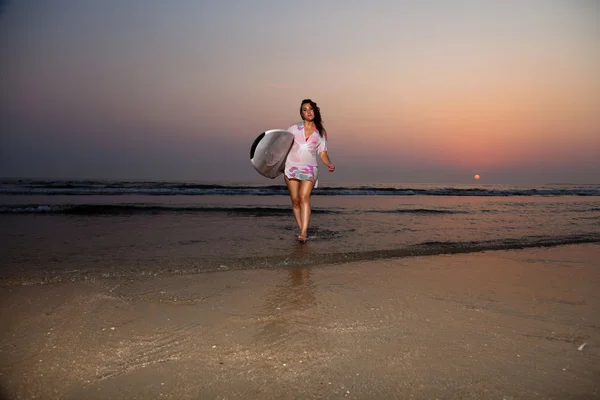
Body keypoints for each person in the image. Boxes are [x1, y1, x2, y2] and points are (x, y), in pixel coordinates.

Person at [284, 99, 335, 243]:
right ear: (301, 113)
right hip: (290, 167)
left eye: (310, 108)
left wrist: (329, 164)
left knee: (304, 197)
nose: (308, 112)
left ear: (315, 111)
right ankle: (302, 229)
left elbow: (323, 153)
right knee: (295, 201)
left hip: (309, 168)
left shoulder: (321, 132)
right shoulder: (293, 128)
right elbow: (282, 146)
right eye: (305, 109)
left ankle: (304, 232)